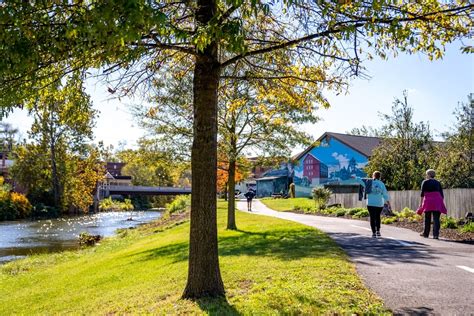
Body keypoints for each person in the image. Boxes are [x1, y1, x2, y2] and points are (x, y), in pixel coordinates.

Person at [355, 171, 390, 238]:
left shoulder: (368, 182)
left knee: (372, 217)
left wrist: (355, 177)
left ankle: (373, 233)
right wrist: (388, 203)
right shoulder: (382, 184)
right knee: (377, 217)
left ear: (373, 176)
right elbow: (385, 194)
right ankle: (378, 231)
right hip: (379, 204)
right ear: (379, 177)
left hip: (370, 203)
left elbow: (360, 181)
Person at [417, 169, 447, 239]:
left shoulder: (424, 182)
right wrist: (441, 203)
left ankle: (426, 233)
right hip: (437, 201)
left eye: (426, 174)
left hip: (428, 202)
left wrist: (420, 204)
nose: (426, 176)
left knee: (427, 218)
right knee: (436, 219)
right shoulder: (438, 182)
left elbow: (422, 194)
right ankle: (436, 235)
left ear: (429, 175)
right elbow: (441, 195)